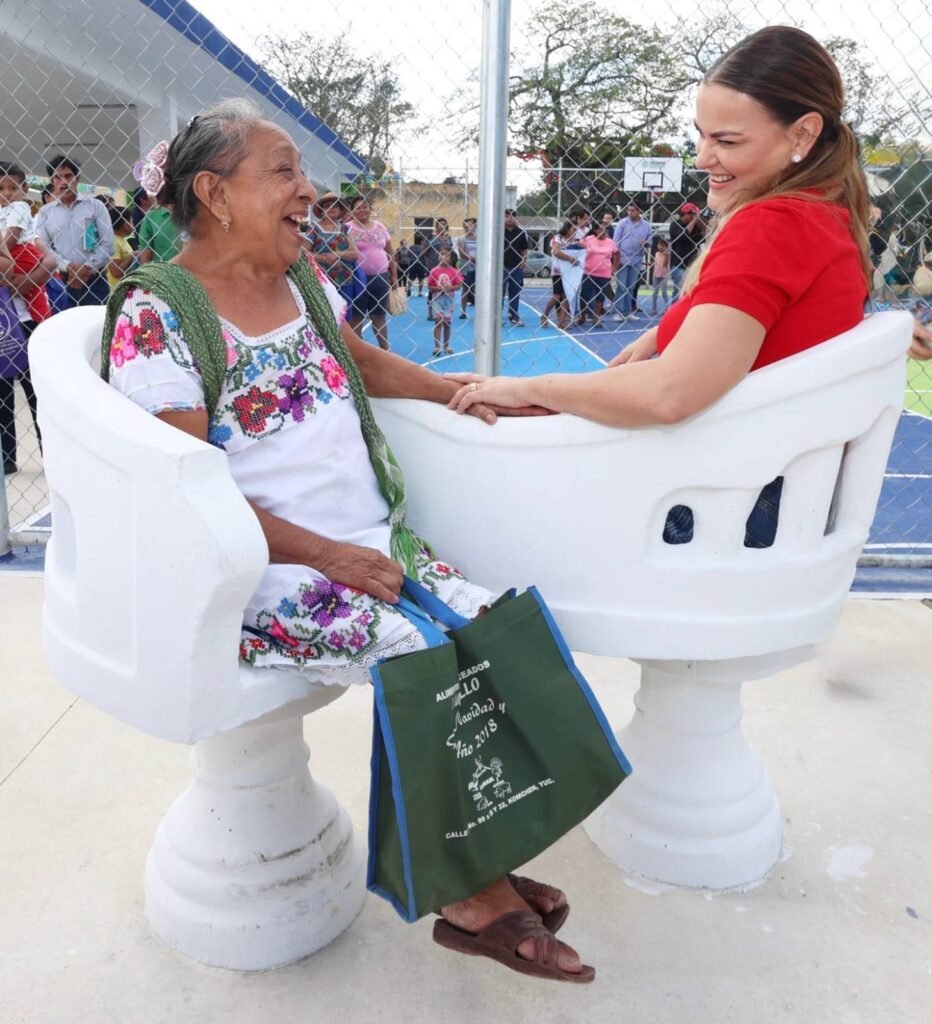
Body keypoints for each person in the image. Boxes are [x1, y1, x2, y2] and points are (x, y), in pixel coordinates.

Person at [102, 98, 589, 983]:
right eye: (283, 172)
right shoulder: (158, 313)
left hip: (367, 541)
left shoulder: (300, 282)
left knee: (496, 626)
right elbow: (182, 497)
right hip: (258, 568)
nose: (309, 190)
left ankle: (476, 857)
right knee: (419, 653)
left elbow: (364, 364)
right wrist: (326, 556)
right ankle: (470, 895)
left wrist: (470, 393)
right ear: (214, 193)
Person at [447, 25, 875, 550]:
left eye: (727, 141)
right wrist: (664, 332)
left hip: (725, 509)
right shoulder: (825, 216)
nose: (702, 157)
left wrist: (531, 388)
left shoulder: (773, 225)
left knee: (480, 502)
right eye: (701, 134)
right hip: (777, 495)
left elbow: (672, 393)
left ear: (803, 135)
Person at [34, 154, 114, 306]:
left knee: (97, 320)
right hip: (62, 282)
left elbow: (108, 244)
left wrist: (87, 269)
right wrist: (68, 266)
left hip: (95, 281)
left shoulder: (95, 206)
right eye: (58, 177)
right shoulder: (45, 212)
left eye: (68, 176)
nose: (64, 182)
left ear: (77, 178)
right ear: (52, 182)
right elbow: (44, 248)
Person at [0, 162, 52, 324]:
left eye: (13, 188)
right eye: (1, 189)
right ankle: (43, 320)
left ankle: (43, 321)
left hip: (20, 251)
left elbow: (12, 236)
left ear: (25, 189)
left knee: (29, 289)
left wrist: (3, 253)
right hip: (13, 252)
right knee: (33, 293)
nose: (7, 193)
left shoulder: (19, 206)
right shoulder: (4, 210)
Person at [345, 195, 396, 351]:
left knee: (379, 315)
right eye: (358, 207)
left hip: (380, 278)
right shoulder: (346, 228)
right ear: (352, 211)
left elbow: (390, 252)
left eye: (365, 206)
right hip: (357, 279)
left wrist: (394, 275)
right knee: (356, 317)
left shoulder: (380, 227)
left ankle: (385, 350)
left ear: (370, 209)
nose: (362, 210)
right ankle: (357, 351)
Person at [305, 191, 359, 313]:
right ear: (322, 211)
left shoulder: (345, 229)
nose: (331, 208)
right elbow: (304, 252)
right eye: (327, 206)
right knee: (324, 313)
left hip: (344, 280)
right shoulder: (314, 229)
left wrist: (337, 254)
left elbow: (355, 254)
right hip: (321, 281)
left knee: (345, 314)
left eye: (335, 205)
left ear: (340, 211)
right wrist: (324, 259)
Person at [611, 204, 652, 321]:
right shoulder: (622, 223)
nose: (630, 212)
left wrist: (646, 243)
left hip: (637, 259)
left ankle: (627, 311)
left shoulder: (647, 226)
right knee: (622, 286)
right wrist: (616, 259)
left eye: (633, 210)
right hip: (622, 258)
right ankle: (618, 312)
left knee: (631, 287)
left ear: (639, 211)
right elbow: (615, 241)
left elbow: (650, 242)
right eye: (629, 210)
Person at [577, 223, 620, 329]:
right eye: (600, 229)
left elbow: (617, 253)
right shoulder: (588, 239)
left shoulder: (610, 242)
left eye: (605, 229)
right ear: (595, 230)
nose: (603, 231)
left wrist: (614, 267)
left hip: (604, 273)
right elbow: (578, 246)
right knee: (584, 295)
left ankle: (596, 317)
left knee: (600, 296)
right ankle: (583, 316)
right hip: (589, 272)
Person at [539, 221, 581, 329]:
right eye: (573, 229)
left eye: (576, 230)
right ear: (567, 228)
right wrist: (570, 258)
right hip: (558, 271)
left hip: (570, 272)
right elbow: (556, 252)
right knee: (557, 296)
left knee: (567, 296)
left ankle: (562, 322)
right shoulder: (557, 238)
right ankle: (545, 314)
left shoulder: (575, 241)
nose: (575, 232)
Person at [427, 244, 463, 356]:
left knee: (447, 323)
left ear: (451, 258)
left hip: (448, 301)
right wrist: (436, 288)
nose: (443, 257)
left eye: (446, 255)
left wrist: (451, 287)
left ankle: (446, 345)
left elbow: (459, 285)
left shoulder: (454, 271)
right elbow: (429, 285)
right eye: (441, 254)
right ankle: (437, 346)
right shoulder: (434, 271)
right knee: (438, 320)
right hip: (437, 300)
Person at [668, 202, 707, 302]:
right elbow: (683, 235)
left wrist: (701, 222)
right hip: (678, 264)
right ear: (686, 214)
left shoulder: (696, 227)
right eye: (692, 214)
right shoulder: (675, 224)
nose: (694, 217)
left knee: (690, 291)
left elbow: (705, 237)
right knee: (679, 291)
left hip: (691, 264)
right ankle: (675, 310)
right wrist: (693, 222)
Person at [502, 208, 530, 327]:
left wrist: (524, 261)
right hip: (501, 267)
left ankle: (514, 316)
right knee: (499, 293)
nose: (510, 218)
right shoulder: (498, 231)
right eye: (507, 215)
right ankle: (497, 317)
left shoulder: (520, 232)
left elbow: (525, 249)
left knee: (515, 292)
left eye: (512, 216)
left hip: (516, 267)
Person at [106, 208, 136, 290]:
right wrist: (132, 255)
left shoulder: (121, 239)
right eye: (131, 222)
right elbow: (115, 272)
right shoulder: (114, 242)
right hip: (117, 289)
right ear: (126, 225)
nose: (133, 225)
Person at [457, 217, 478, 318]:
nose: (467, 228)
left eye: (469, 226)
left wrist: (479, 260)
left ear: (475, 226)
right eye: (465, 227)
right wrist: (473, 259)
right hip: (466, 268)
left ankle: (479, 311)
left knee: (477, 290)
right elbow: (462, 254)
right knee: (465, 289)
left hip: (478, 268)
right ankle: (463, 311)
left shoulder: (480, 238)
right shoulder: (461, 239)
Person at [650, 239, 671, 315]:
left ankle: (667, 308)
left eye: (663, 246)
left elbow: (665, 264)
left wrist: (666, 255)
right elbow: (655, 262)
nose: (661, 247)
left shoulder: (668, 254)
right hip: (655, 275)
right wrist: (649, 264)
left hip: (663, 276)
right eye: (660, 245)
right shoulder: (656, 253)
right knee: (655, 292)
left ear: (666, 247)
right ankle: (654, 308)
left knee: (664, 292)